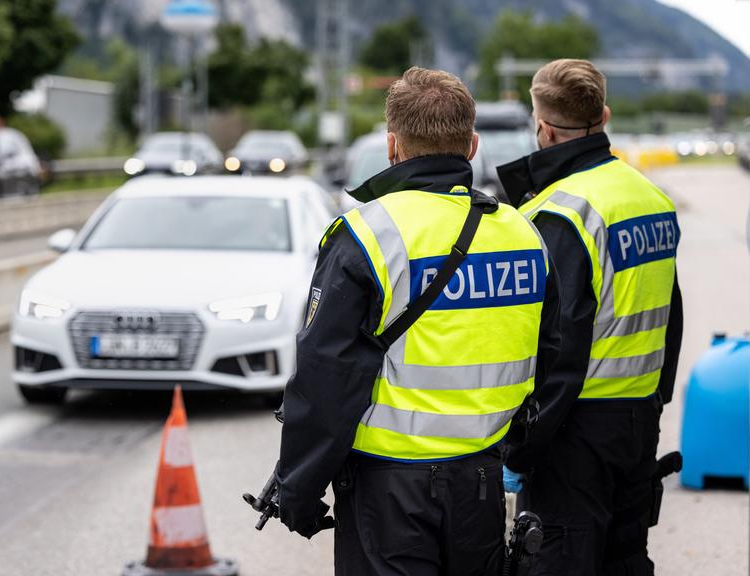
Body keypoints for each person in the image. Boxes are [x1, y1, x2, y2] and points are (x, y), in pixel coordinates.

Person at [276, 66, 562, 576]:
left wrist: (298, 487)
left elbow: (325, 376)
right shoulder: (523, 234)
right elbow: (552, 354)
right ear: (472, 146)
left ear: (392, 146)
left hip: (388, 491)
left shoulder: (367, 234)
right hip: (481, 479)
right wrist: (515, 452)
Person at [497, 59, 683, 575]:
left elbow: (560, 348)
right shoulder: (651, 198)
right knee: (625, 560)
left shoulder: (560, 214)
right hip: (638, 419)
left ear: (544, 127)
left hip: (574, 431)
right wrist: (655, 401)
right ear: (603, 115)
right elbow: (672, 316)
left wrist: (523, 448)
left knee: (562, 561)